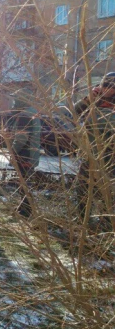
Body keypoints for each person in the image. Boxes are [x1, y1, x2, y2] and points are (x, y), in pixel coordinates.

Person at [74, 72, 115, 223]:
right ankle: (81, 220)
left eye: (108, 86)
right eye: (103, 85)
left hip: (109, 156)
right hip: (89, 154)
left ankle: (106, 223)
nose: (105, 89)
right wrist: (88, 99)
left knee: (107, 193)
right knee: (81, 189)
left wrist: (96, 114)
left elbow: (107, 123)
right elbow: (73, 112)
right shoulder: (94, 100)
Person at [3, 90, 41, 218]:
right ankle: (24, 209)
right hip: (30, 155)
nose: (13, 103)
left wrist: (12, 153)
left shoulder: (24, 116)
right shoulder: (31, 114)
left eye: (14, 101)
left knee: (24, 184)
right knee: (24, 183)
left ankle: (26, 211)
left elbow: (21, 139)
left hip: (25, 155)